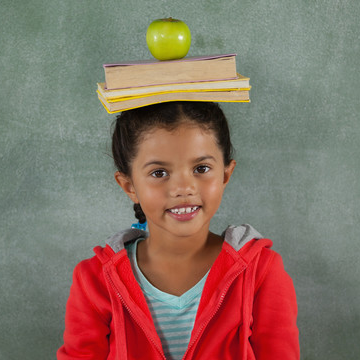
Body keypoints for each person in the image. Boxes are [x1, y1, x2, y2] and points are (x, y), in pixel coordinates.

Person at [57, 102, 299, 359]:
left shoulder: (261, 272)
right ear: (129, 186)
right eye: (159, 172)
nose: (184, 188)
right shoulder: (94, 280)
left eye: (201, 169)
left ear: (226, 174)